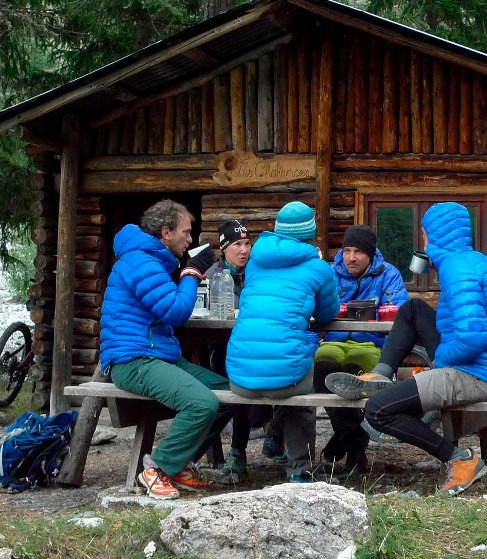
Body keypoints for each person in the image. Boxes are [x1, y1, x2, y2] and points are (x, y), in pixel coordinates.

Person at [328, 202, 487, 496]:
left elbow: (473, 339)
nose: (423, 243)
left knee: (378, 411)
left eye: (425, 234)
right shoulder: (471, 262)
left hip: (477, 373)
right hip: (482, 364)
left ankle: (459, 460)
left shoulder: (459, 271)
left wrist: (441, 361)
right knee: (413, 309)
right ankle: (381, 374)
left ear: (436, 235)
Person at [100, 199, 234, 500]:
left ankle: (178, 463)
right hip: (134, 360)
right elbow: (175, 311)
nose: (190, 239)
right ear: (166, 232)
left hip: (157, 355)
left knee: (228, 394)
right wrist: (189, 274)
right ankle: (157, 468)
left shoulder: (151, 261)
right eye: (186, 232)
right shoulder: (141, 262)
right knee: (202, 402)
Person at [225, 201, 340, 482]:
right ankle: (300, 469)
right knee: (301, 384)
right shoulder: (318, 267)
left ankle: (257, 448)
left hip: (239, 378)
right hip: (284, 379)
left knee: (280, 366)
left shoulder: (253, 262)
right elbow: (327, 313)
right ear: (310, 233)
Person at [314, 224, 409, 474]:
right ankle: (352, 441)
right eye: (347, 250)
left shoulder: (388, 274)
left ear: (370, 253)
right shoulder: (328, 273)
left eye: (358, 252)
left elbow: (400, 319)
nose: (351, 258)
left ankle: (347, 444)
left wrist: (389, 361)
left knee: (353, 372)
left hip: (370, 343)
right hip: (332, 341)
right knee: (322, 371)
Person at [203, 219, 277, 480]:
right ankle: (255, 439)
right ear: (223, 248)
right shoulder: (212, 276)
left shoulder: (258, 273)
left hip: (257, 346)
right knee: (236, 377)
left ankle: (261, 437)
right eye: (237, 245)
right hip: (221, 347)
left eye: (247, 244)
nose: (244, 250)